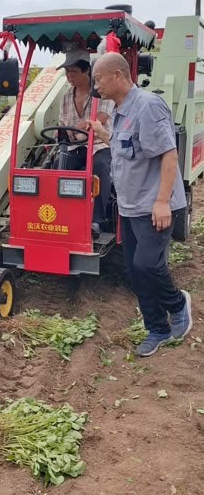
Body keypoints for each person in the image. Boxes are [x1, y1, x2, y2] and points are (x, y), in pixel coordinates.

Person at [89, 52, 192, 357]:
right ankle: (157, 328)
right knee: (134, 272)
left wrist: (162, 202)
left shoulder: (147, 106)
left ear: (118, 75)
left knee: (148, 264)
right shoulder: (121, 111)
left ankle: (178, 304)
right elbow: (128, 149)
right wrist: (104, 135)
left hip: (153, 206)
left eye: (99, 79)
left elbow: (168, 155)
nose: (96, 86)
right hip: (131, 206)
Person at [56, 48, 114, 233]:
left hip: (100, 144)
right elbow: (62, 125)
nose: (69, 77)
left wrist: (83, 126)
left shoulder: (100, 93)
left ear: (87, 71)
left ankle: (97, 219)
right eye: (67, 73)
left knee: (98, 166)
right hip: (76, 147)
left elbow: (102, 118)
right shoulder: (65, 98)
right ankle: (63, 214)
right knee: (59, 164)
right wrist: (64, 135)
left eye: (73, 72)